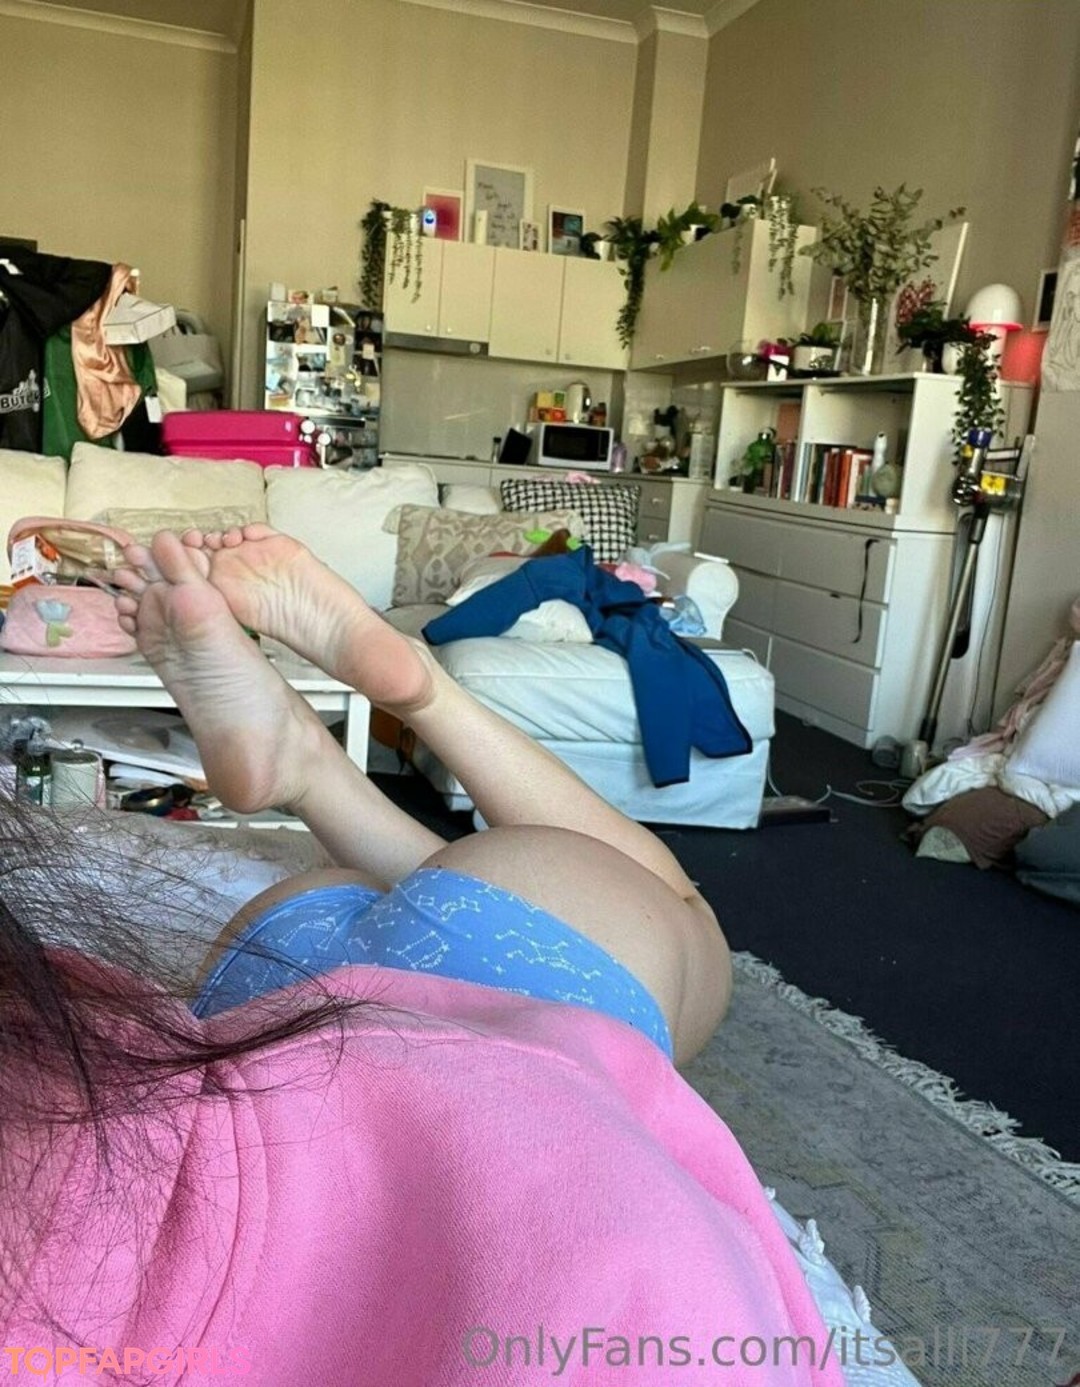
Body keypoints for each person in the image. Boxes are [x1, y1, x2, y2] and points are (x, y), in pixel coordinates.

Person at [0, 528, 842, 1385]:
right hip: (260, 1021)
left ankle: (324, 748)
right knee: (679, 913)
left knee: (610, 920)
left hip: (387, 1001)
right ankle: (358, 729)